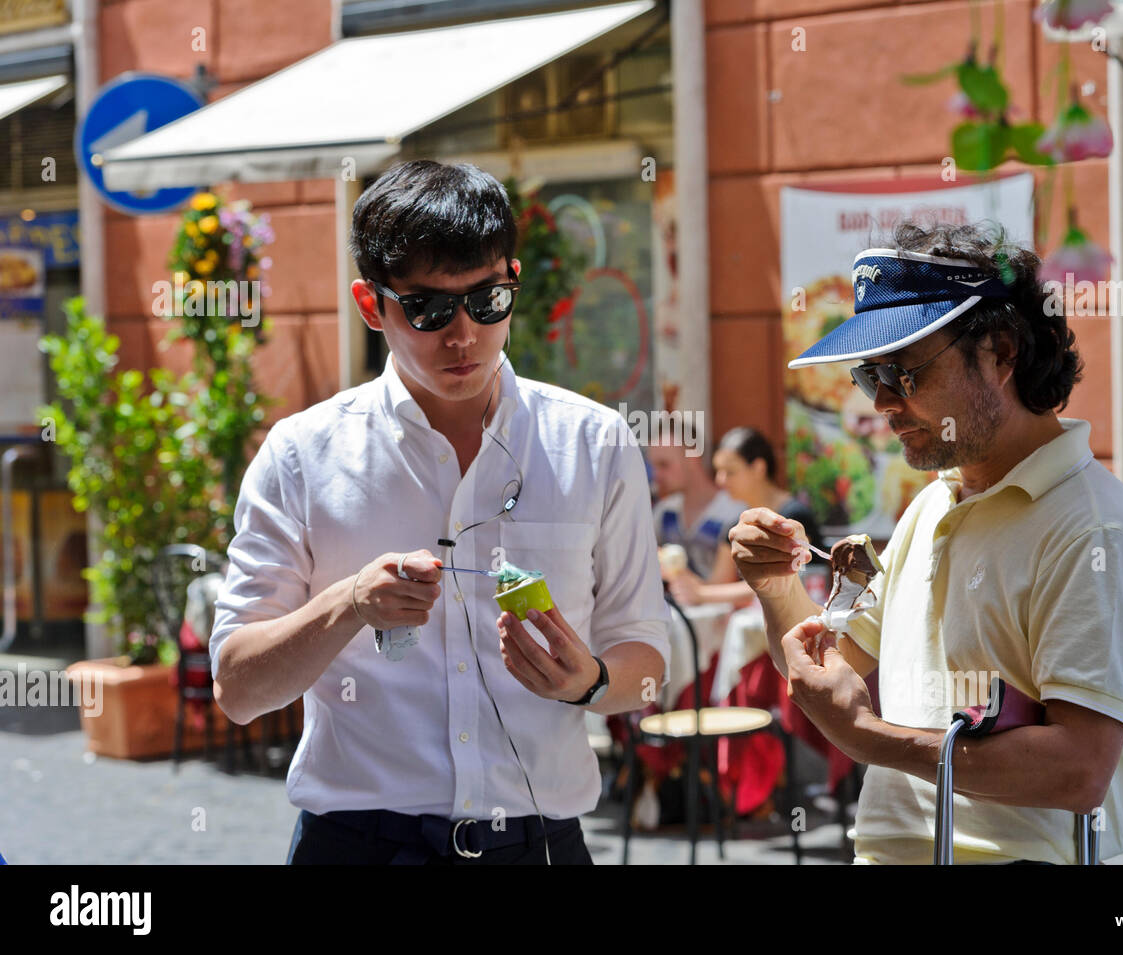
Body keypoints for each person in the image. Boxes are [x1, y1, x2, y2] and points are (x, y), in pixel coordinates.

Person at [209, 160, 669, 865]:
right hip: (360, 844)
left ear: (514, 280)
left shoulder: (594, 441)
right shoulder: (303, 454)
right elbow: (238, 688)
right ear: (371, 305)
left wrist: (592, 682)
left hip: (539, 843)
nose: (462, 334)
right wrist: (350, 603)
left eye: (486, 301)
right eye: (427, 309)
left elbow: (646, 657)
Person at [729, 222, 1123, 864]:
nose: (881, 402)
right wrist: (776, 587)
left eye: (903, 372)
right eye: (867, 375)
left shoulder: (1095, 529)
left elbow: (1079, 771)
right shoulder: (934, 500)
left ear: (1000, 353)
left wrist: (871, 739)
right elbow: (834, 663)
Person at [670, 426, 826, 607]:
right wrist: (675, 572)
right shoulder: (735, 524)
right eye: (718, 471)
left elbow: (781, 582)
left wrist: (703, 594)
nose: (721, 480)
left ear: (758, 468)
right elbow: (718, 584)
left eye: (730, 472)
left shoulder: (793, 518)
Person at [647, 423, 745, 597]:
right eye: (654, 466)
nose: (657, 475)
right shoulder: (664, 512)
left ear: (692, 457)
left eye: (664, 465)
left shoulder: (735, 512)